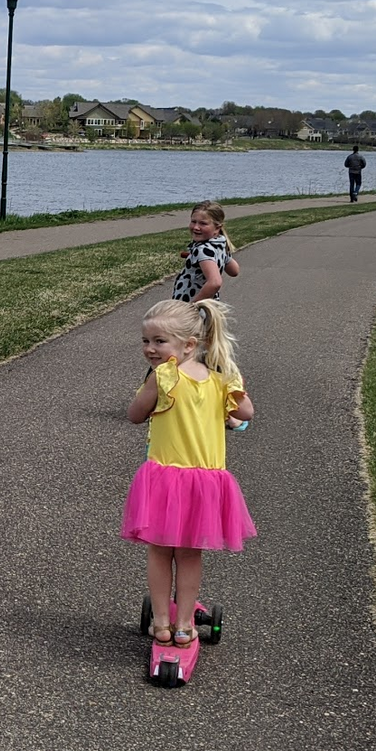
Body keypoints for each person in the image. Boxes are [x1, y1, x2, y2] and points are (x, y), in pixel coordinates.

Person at [124, 298, 256, 646]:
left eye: (159, 341)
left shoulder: (164, 377)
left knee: (160, 551)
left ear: (188, 345)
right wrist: (232, 382)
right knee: (189, 553)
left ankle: (162, 622)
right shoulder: (221, 379)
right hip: (205, 482)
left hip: (166, 478)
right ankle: (183, 625)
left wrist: (153, 389)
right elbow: (245, 413)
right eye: (145, 341)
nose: (150, 349)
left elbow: (135, 415)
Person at [172, 200, 242, 304]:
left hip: (192, 308)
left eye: (203, 223)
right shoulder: (220, 246)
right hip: (210, 305)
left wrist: (192, 305)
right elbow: (234, 270)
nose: (196, 227)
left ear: (217, 228)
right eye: (193, 221)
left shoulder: (202, 250)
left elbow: (215, 282)